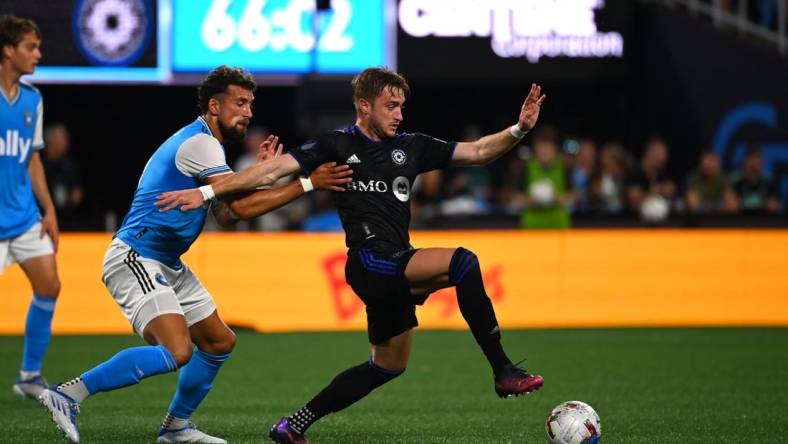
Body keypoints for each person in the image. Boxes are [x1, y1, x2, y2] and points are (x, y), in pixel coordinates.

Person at [156, 67, 547, 444]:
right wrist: (206, 193)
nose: (399, 113)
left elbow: (479, 152)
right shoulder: (337, 145)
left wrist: (519, 130)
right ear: (364, 106)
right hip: (368, 262)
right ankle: (503, 370)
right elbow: (270, 173)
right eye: (390, 106)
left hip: (396, 261)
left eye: (401, 106)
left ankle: (293, 425)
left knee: (388, 366)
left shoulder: (413, 147)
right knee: (463, 262)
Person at [38, 65, 352, 444]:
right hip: (136, 255)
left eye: (251, 103)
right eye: (240, 102)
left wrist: (261, 174)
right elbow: (238, 206)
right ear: (214, 106)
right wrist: (304, 182)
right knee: (176, 350)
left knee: (219, 341)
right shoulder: (200, 144)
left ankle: (175, 428)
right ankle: (67, 393)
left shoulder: (208, 147)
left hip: (167, 261)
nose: (249, 111)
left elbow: (229, 212)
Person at [0, 14, 61, 401]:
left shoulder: (33, 99)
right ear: (8, 50)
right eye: (30, 47)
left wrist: (49, 210)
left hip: (24, 218)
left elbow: (33, 158)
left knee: (49, 285)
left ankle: (28, 376)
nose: (37, 54)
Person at [520, 126, 572, 229]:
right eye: (541, 148)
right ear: (535, 148)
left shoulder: (564, 167)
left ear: (554, 149)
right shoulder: (527, 168)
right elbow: (515, 195)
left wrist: (558, 199)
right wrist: (530, 201)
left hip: (559, 225)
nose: (544, 152)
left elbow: (574, 193)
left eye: (548, 147)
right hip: (532, 226)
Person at [42, 123, 85, 230]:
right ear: (52, 141)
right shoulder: (41, 166)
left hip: (68, 218)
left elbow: (77, 190)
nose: (67, 142)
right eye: (63, 138)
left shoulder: (69, 165)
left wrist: (76, 194)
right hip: (45, 219)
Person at [731, 146, 781, 214]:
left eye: (757, 158)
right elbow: (731, 205)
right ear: (745, 160)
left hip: (765, 220)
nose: (755, 162)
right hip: (739, 220)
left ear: (762, 161)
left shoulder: (768, 181)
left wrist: (773, 204)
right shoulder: (735, 181)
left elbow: (775, 204)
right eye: (752, 159)